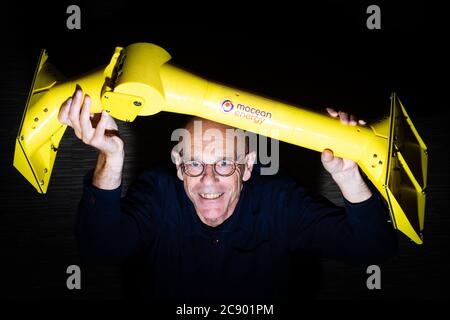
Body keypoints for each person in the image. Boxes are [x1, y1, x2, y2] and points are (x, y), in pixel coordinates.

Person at [59, 88, 397, 301]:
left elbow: (373, 249)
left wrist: (349, 174)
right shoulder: (158, 191)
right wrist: (111, 156)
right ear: (178, 166)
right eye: (194, 164)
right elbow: (99, 249)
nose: (208, 180)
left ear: (248, 166)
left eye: (224, 162)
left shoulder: (279, 201)